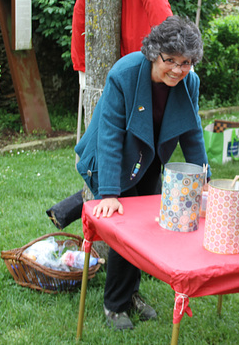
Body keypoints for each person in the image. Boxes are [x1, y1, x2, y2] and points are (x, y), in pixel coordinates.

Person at [74, 16, 210, 330]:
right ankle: (115, 305)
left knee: (146, 232)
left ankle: (131, 293)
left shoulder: (190, 81)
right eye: (170, 61)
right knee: (126, 232)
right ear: (153, 53)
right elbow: (109, 135)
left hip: (148, 159)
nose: (178, 69)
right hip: (110, 159)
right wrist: (108, 192)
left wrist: (204, 181)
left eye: (186, 62)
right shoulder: (125, 73)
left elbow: (192, 132)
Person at [46, 0, 173, 230]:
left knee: (129, 156)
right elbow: (161, 15)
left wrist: (82, 69)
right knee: (137, 158)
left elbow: (80, 19)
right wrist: (173, 59)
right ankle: (108, 218)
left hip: (126, 73)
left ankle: (75, 209)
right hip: (142, 76)